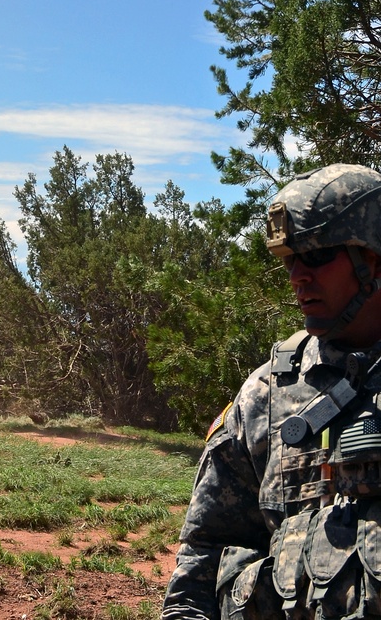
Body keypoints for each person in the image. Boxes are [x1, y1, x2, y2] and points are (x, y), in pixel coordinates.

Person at [163, 163, 381, 620]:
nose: (297, 276)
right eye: (289, 259)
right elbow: (205, 557)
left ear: (372, 258)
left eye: (318, 256)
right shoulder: (265, 394)